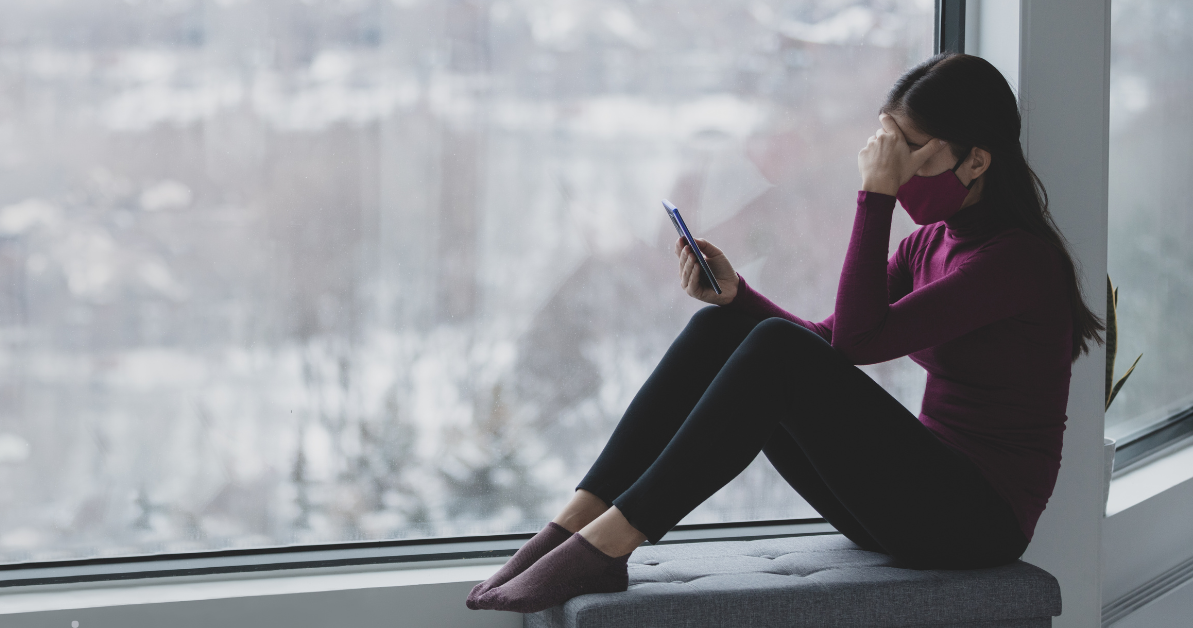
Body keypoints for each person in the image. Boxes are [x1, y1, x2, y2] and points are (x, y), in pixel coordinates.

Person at [467, 53, 1103, 614]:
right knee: (722, 325)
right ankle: (575, 520)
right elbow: (828, 343)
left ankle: (611, 543)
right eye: (886, 145)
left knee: (774, 346)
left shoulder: (1017, 262)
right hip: (909, 503)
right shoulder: (930, 244)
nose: (890, 163)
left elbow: (855, 344)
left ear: (976, 160)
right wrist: (740, 298)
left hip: (975, 522)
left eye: (909, 147)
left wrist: (875, 196)